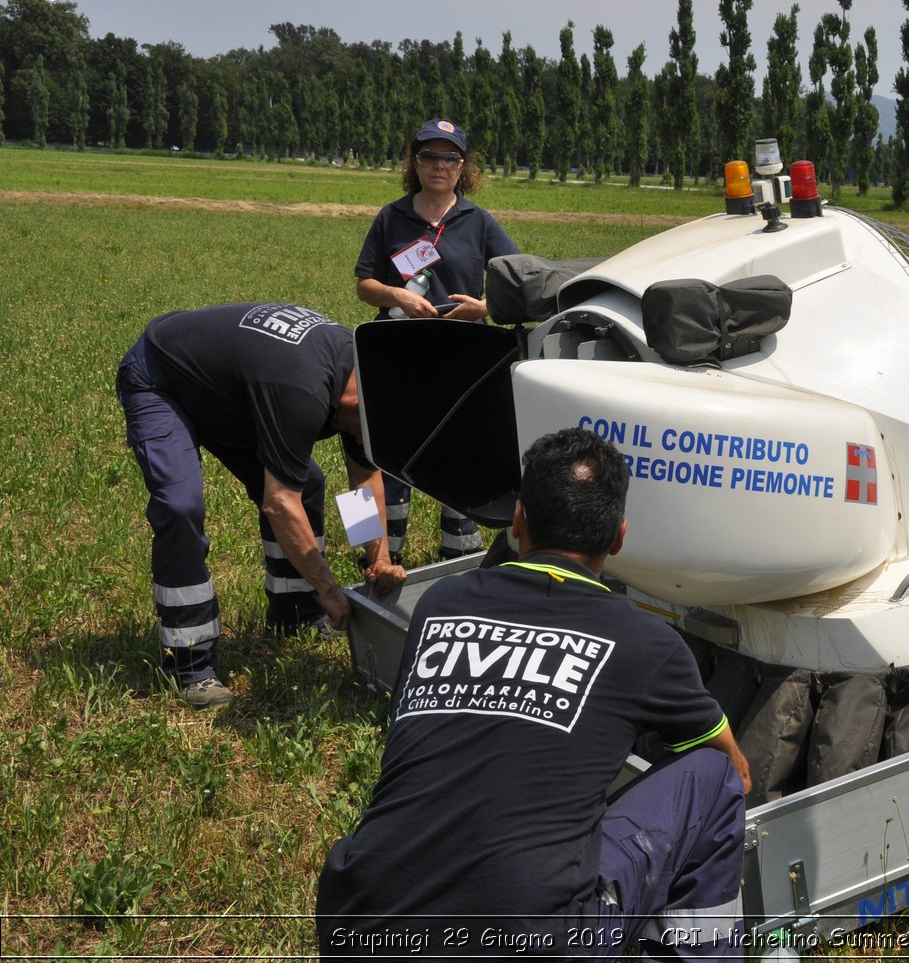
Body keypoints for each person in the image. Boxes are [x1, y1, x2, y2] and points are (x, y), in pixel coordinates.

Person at [317, 427, 751, 962]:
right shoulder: (644, 642)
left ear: (518, 520)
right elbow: (735, 764)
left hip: (360, 926)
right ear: (618, 537)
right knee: (713, 776)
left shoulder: (442, 604)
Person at [116, 303, 405, 709]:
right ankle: (190, 663)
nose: (366, 440)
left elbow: (364, 480)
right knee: (181, 505)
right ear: (354, 406)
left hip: (226, 393)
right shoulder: (302, 391)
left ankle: (295, 615)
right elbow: (278, 504)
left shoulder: (365, 379)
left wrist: (379, 556)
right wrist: (329, 589)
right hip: (160, 376)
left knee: (307, 485)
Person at [354, 118, 520, 563]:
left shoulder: (479, 222)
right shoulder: (392, 216)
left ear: (463, 167)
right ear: (415, 161)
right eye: (430, 155)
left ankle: (461, 561)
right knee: (384, 453)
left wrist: (485, 308)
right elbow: (363, 284)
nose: (439, 166)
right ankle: (376, 559)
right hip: (397, 353)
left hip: (464, 357)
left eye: (450, 158)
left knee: (463, 454)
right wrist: (396, 295)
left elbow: (520, 279)